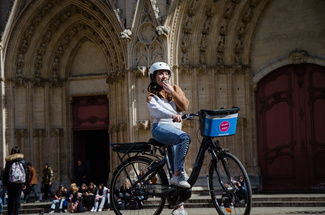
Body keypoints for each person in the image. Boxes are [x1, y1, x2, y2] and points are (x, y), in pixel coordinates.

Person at [147, 62, 191, 214]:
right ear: (154, 77)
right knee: (184, 139)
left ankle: (179, 207)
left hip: (174, 131)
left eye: (166, 73)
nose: (164, 76)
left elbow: (184, 106)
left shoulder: (175, 89)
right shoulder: (151, 96)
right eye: (160, 73)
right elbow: (157, 112)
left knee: (175, 166)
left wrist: (172, 92)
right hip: (160, 129)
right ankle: (178, 176)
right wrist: (172, 115)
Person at [3, 146, 28, 215]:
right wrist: (25, 183)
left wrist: (5, 184)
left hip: (11, 182)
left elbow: (6, 173)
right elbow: (26, 172)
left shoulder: (9, 161)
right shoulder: (23, 160)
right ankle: (16, 213)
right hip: (19, 182)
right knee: (17, 198)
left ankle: (10, 212)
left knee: (10, 198)